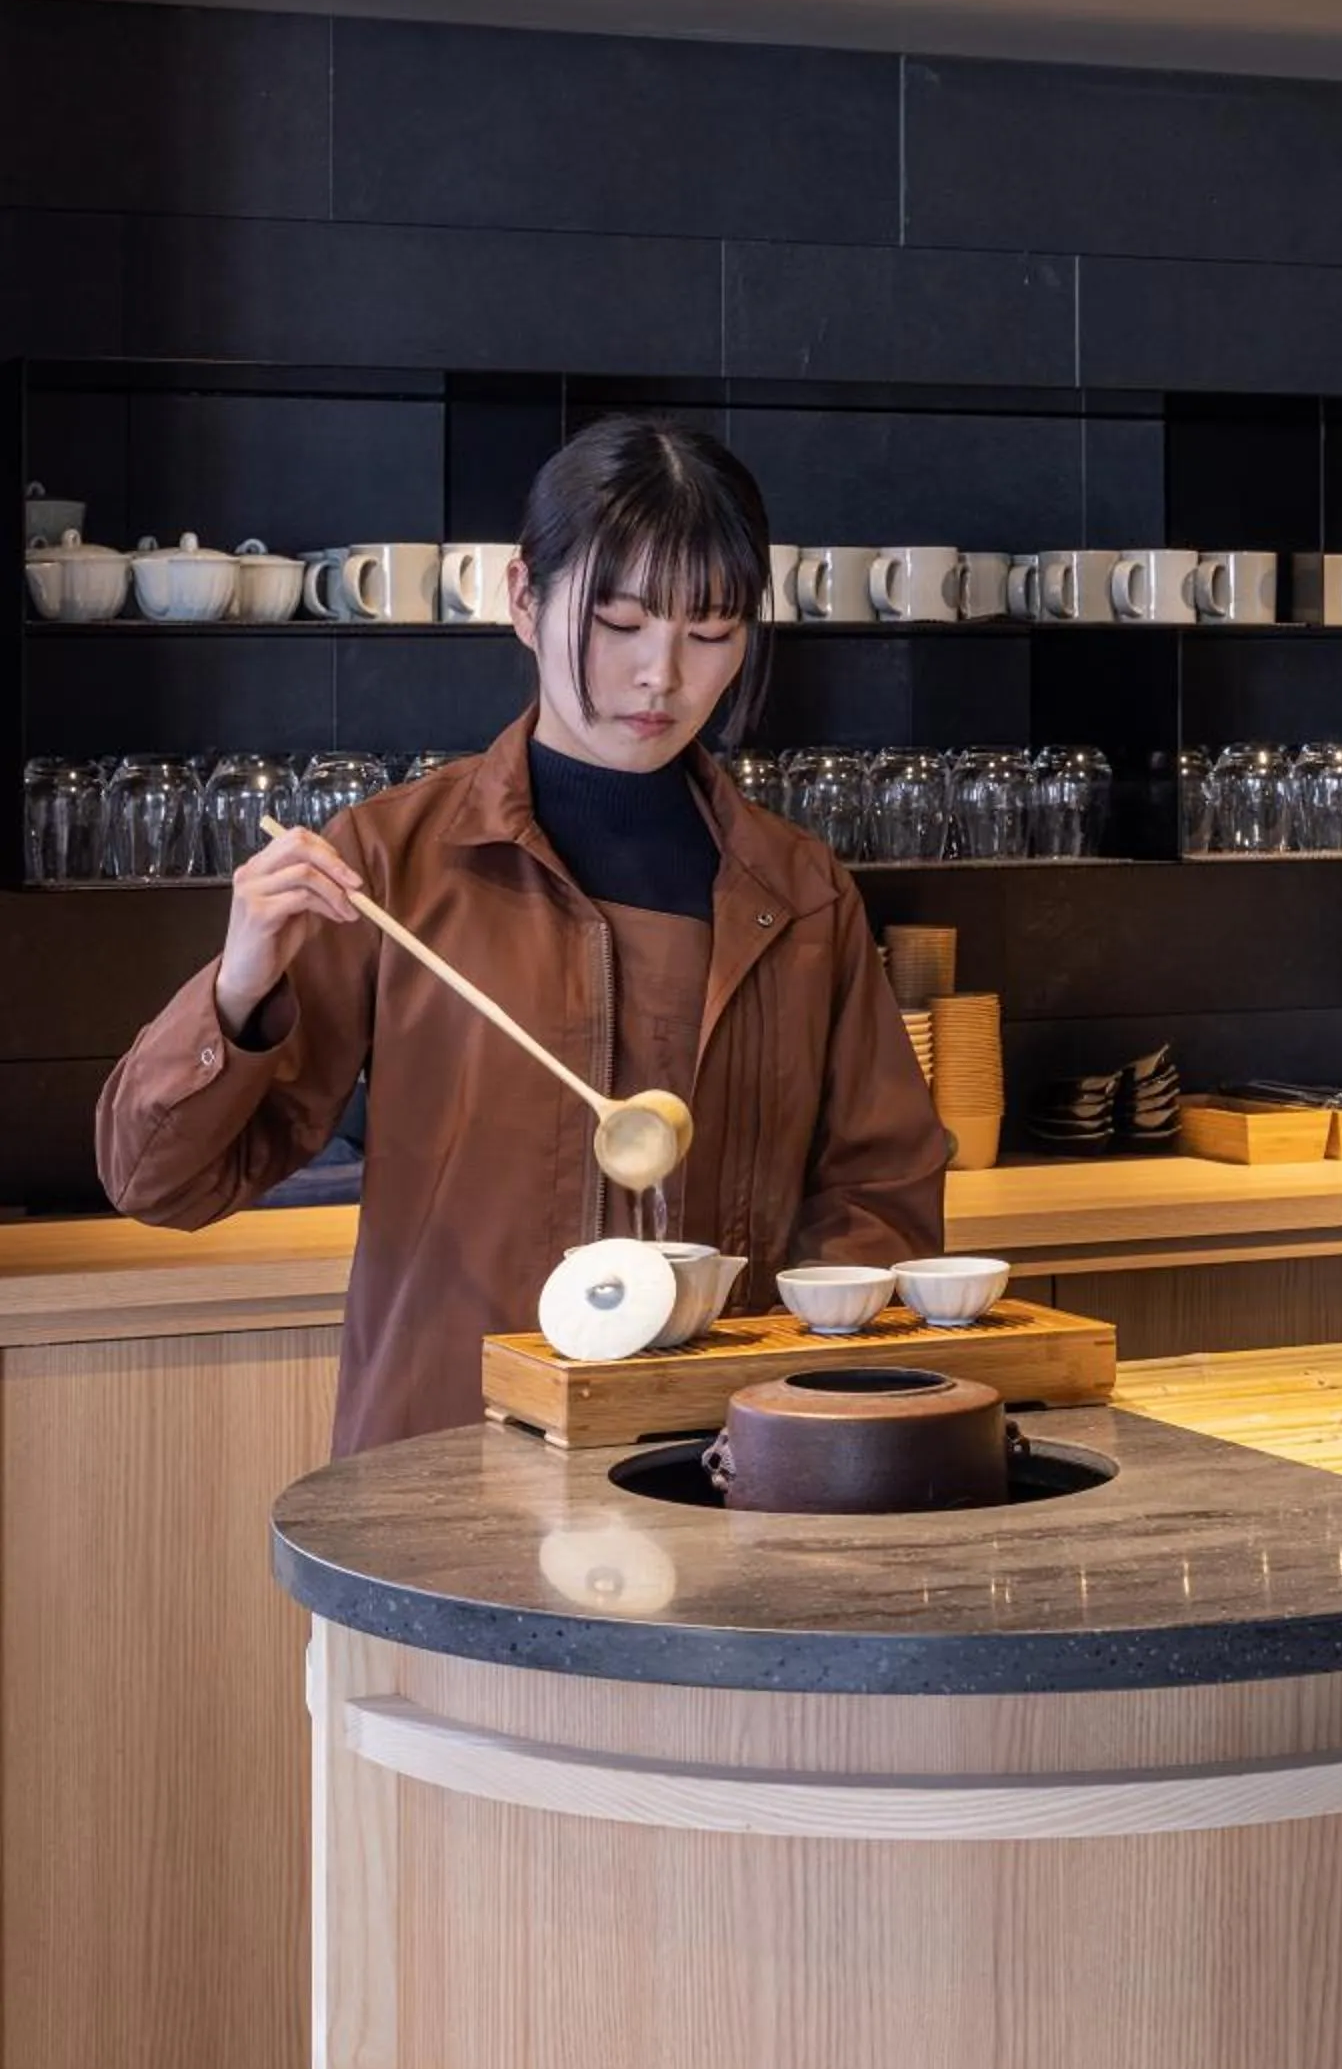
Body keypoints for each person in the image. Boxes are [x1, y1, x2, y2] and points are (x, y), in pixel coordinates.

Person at [97, 417, 949, 1454]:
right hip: (440, 1461)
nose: (660, 675)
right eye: (619, 622)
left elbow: (879, 1192)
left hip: (711, 1473)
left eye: (711, 632)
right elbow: (160, 1183)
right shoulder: (390, 864)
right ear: (522, 599)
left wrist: (802, 1417)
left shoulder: (800, 890)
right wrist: (236, 992)